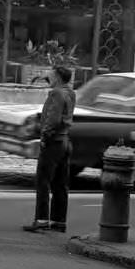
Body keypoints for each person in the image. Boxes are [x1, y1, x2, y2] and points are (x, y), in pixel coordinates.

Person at [24, 64, 76, 233]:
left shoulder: (56, 93)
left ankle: (41, 219)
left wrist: (45, 136)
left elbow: (52, 120)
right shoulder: (70, 92)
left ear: (58, 77)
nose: (49, 78)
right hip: (65, 140)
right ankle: (59, 221)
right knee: (61, 184)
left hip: (53, 142)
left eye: (51, 75)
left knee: (43, 182)